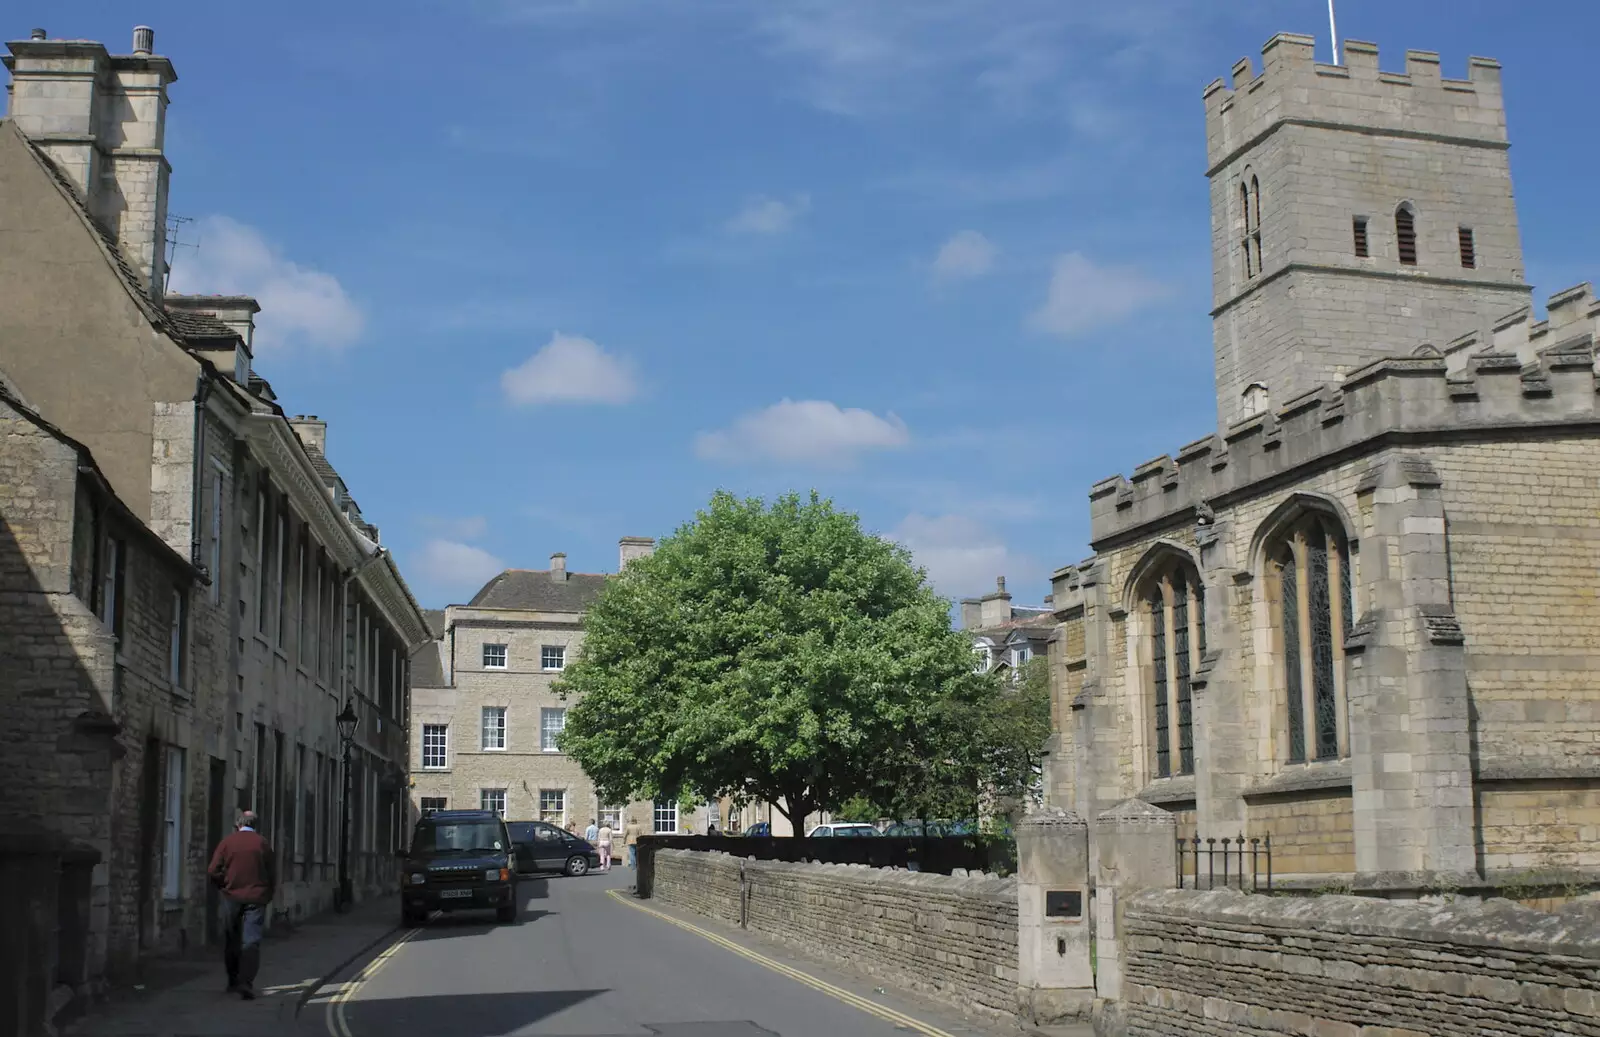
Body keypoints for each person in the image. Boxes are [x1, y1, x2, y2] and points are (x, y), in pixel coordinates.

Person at [208, 810, 276, 1000]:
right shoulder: (262, 844)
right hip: (256, 897)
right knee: (251, 941)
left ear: (238, 825)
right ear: (255, 825)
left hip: (232, 896)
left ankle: (232, 981)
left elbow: (213, 870)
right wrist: (267, 894)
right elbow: (272, 874)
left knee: (232, 938)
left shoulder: (227, 843)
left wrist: (224, 884)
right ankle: (246, 982)